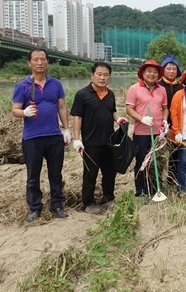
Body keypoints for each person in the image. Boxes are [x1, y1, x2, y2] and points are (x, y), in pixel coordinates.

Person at [12, 48, 71, 222]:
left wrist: (66, 130)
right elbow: (15, 110)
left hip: (54, 135)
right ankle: (35, 208)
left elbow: (61, 107)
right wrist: (24, 112)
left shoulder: (56, 84)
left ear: (47, 62)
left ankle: (57, 205)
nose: (40, 62)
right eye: (36, 59)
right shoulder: (22, 86)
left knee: (56, 173)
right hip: (32, 138)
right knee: (33, 175)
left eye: (43, 59)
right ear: (29, 63)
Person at [71, 62, 128, 214]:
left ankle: (108, 198)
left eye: (106, 75)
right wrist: (76, 139)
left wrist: (119, 119)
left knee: (110, 172)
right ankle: (88, 203)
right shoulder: (82, 94)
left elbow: (113, 111)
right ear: (92, 75)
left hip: (109, 141)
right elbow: (77, 118)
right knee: (90, 174)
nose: (102, 78)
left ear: (109, 77)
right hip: (91, 143)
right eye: (99, 74)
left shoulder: (110, 94)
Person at [126, 60, 169, 197]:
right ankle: (140, 190)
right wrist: (141, 118)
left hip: (158, 133)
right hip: (142, 133)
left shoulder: (161, 89)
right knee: (141, 161)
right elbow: (129, 109)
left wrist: (164, 120)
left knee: (156, 161)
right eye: (149, 71)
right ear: (143, 73)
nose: (152, 74)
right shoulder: (134, 88)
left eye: (155, 72)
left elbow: (165, 108)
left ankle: (154, 186)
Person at [158, 55, 184, 185]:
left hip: (177, 126)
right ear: (163, 70)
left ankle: (172, 179)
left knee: (176, 154)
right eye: (168, 68)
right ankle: (156, 180)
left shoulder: (181, 87)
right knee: (160, 155)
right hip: (160, 125)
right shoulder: (157, 86)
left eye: (174, 69)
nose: (171, 71)